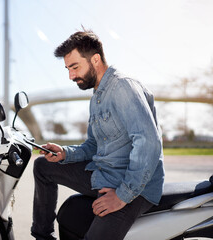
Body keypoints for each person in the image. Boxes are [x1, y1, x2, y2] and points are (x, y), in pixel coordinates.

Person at [31, 29, 165, 240]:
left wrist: (122, 196)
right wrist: (65, 153)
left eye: (75, 67)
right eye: (67, 69)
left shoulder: (123, 87)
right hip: (105, 174)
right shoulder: (97, 96)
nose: (71, 76)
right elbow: (93, 145)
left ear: (95, 59)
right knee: (43, 166)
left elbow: (148, 143)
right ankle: (43, 236)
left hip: (134, 187)